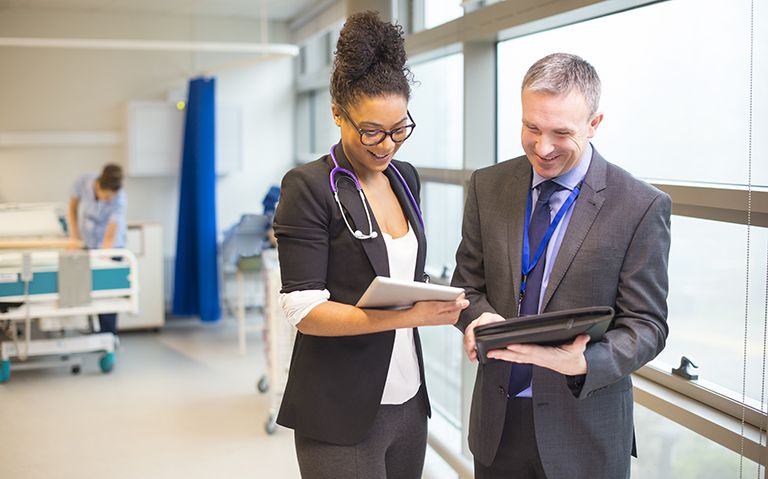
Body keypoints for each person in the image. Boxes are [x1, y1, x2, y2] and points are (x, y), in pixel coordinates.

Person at [451, 53, 671, 479]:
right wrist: (477, 319)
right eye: (531, 128)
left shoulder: (640, 206)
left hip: (583, 428)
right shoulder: (488, 185)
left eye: (561, 133)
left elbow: (648, 325)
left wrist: (585, 361)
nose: (543, 147)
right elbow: (467, 286)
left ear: (595, 123)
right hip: (498, 423)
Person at [273, 11, 468, 479]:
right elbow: (305, 311)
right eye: (371, 131)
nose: (387, 145)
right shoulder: (308, 187)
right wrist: (413, 316)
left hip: (408, 401)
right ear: (337, 113)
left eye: (399, 128)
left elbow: (404, 274)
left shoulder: (405, 178)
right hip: (340, 409)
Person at [68, 163, 127, 335]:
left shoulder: (120, 199)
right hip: (88, 243)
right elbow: (72, 209)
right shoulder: (83, 181)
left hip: (111, 248)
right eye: (106, 197)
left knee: (107, 294)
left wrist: (102, 259)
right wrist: (74, 237)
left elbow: (110, 235)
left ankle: (108, 337)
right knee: (88, 291)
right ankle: (93, 331)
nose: (109, 200)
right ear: (99, 186)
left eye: (111, 198)